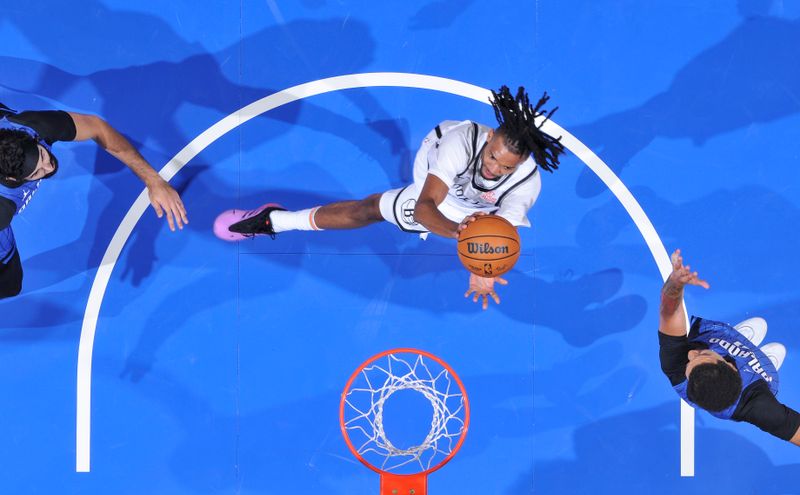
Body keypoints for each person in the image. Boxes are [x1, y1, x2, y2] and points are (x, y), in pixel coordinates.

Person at [214, 86, 565, 309]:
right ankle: (276, 219)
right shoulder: (463, 142)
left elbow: (501, 234)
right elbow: (427, 206)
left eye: (504, 168)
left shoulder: (526, 185)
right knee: (369, 209)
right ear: (489, 139)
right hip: (434, 181)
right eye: (492, 157)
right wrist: (460, 232)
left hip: (473, 213)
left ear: (519, 164)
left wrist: (485, 266)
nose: (493, 169)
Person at [0, 103, 188, 299]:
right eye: (36, 172)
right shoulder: (3, 207)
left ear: (33, 139)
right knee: (10, 284)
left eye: (42, 154)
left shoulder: (36, 126)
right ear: (13, 179)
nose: (48, 167)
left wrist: (154, 180)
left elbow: (97, 127)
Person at [658, 248, 800, 444]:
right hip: (756, 382)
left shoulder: (676, 366)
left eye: (696, 357)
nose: (690, 353)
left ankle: (740, 347)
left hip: (721, 346)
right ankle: (756, 363)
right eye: (702, 355)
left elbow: (669, 313)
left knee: (748, 328)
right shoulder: (758, 405)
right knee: (766, 371)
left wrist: (675, 283)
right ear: (730, 366)